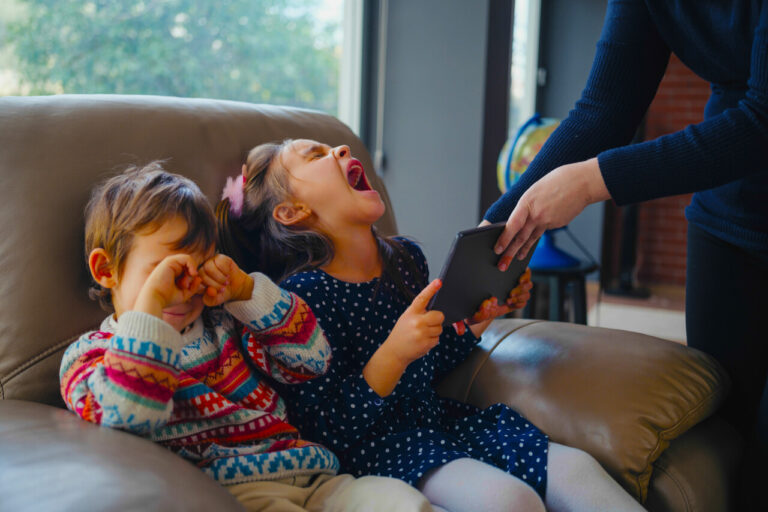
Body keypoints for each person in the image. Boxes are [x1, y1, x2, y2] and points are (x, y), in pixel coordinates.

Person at [216, 139, 645, 512]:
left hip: (441, 425)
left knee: (576, 469)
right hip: (377, 452)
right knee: (510, 502)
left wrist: (475, 323)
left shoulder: (404, 259)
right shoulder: (303, 300)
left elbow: (431, 361)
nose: (340, 150)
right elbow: (325, 429)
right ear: (293, 212)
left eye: (335, 147)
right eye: (317, 155)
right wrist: (392, 354)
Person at [483, 1, 768, 503]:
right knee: (727, 432)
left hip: (751, 141)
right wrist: (498, 222)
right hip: (728, 216)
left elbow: (761, 123)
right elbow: (603, 110)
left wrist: (595, 180)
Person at [60, 163, 435, 512]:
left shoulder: (226, 325)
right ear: (105, 269)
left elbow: (313, 359)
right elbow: (128, 417)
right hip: (230, 492)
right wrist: (151, 306)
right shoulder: (93, 355)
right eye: (166, 271)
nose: (185, 290)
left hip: (316, 475)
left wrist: (247, 292)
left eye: (197, 268)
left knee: (404, 502)